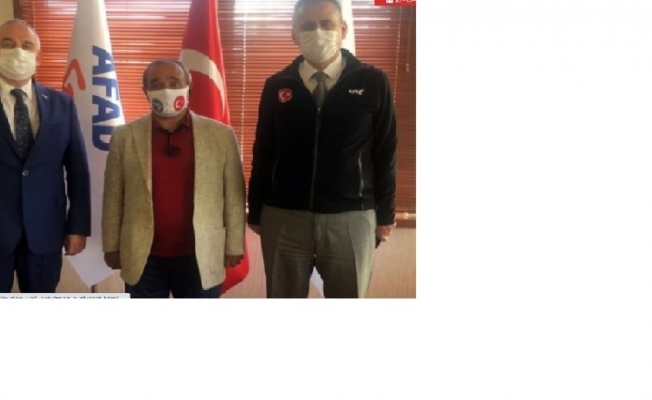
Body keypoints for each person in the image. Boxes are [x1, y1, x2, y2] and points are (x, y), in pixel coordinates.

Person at [247, 0, 397, 298]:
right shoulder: (276, 85)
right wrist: (256, 210)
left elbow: (385, 151)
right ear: (294, 34)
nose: (317, 32)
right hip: (284, 216)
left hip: (351, 217)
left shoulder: (373, 82)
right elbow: (263, 151)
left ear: (343, 30)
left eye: (326, 24)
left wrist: (385, 214)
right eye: (307, 25)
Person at [102, 59, 246, 298]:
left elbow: (234, 196)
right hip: (143, 256)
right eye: (156, 84)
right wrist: (111, 245)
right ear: (145, 91)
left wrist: (234, 244)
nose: (166, 89)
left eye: (174, 82)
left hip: (201, 254)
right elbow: (113, 196)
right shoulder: (124, 136)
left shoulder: (221, 135)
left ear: (189, 86)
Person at [0, 19, 91, 293]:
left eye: (27, 46)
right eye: (7, 44)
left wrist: (78, 227)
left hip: (45, 233)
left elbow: (78, 171)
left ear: (38, 58)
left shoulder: (62, 105)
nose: (18, 52)